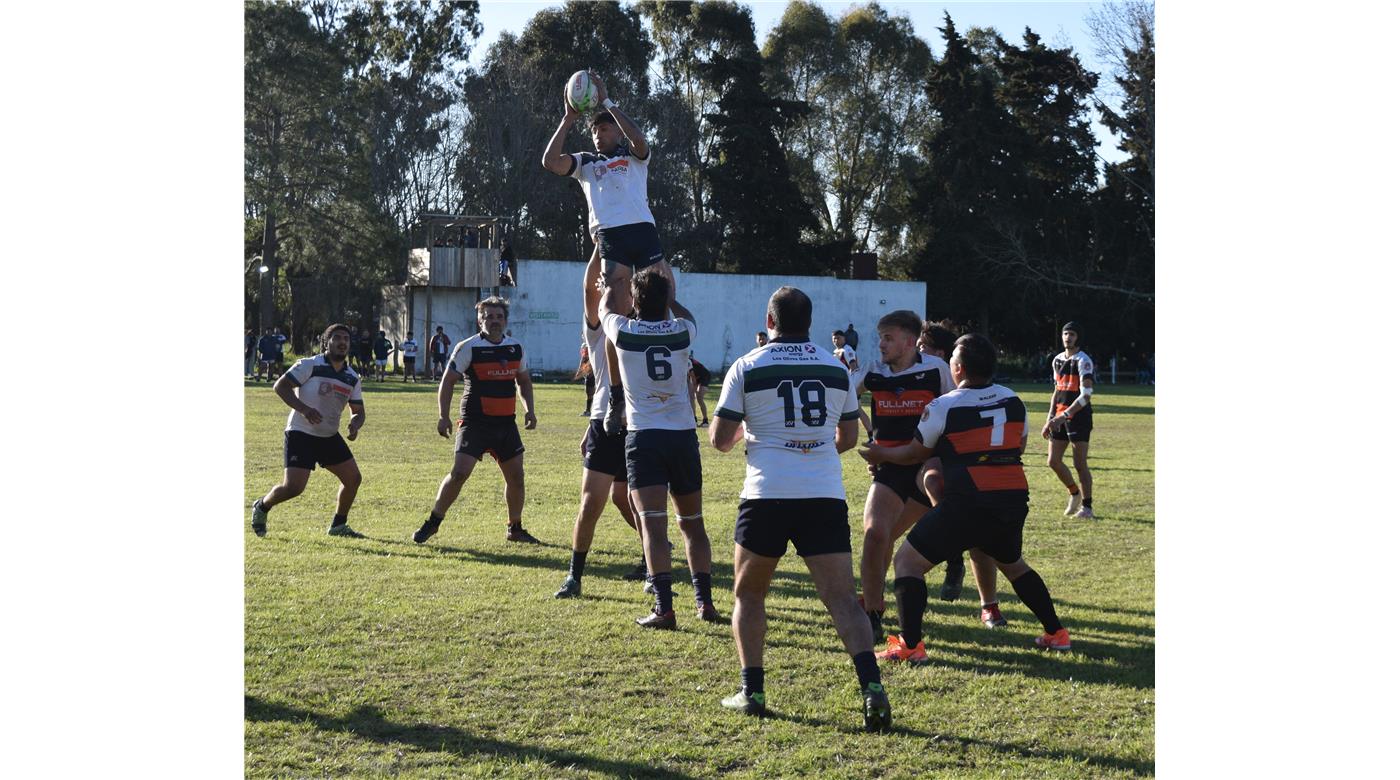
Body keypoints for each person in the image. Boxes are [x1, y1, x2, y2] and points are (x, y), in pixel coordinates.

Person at [709, 286, 892, 731]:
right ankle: (872, 689)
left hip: (766, 493)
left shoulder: (747, 366)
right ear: (809, 322)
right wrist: (810, 445)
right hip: (822, 493)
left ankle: (752, 690)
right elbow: (848, 439)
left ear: (769, 321)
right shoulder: (835, 366)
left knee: (749, 595)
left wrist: (757, 438)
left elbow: (719, 439)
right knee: (843, 600)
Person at [860, 333, 1073, 663]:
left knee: (907, 563)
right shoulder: (1013, 400)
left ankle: (910, 645)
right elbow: (1016, 446)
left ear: (957, 368)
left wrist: (880, 454)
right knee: (1012, 564)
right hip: (1013, 497)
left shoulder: (943, 405)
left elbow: (915, 452)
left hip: (969, 500)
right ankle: (1057, 633)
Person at [542, 71, 673, 438]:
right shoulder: (586, 162)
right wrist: (569, 118)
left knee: (664, 304)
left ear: (616, 130)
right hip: (611, 237)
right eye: (596, 130)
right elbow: (550, 162)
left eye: (605, 129)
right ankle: (616, 397)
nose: (599, 134)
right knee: (613, 313)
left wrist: (609, 103)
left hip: (643, 231)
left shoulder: (634, 157)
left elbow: (641, 140)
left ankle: (663, 388)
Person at [599, 268, 719, 628]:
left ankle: (665, 609)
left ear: (635, 302)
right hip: (682, 437)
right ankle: (705, 603)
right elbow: (689, 317)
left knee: (652, 526)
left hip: (646, 437)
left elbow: (605, 310)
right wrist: (671, 299)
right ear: (665, 300)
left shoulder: (624, 331)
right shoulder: (682, 331)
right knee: (693, 524)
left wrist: (609, 287)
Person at [853, 310, 955, 648]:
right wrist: (871, 436)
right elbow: (845, 400)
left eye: (888, 337)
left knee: (938, 493)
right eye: (880, 337)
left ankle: (956, 560)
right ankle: (872, 614)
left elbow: (956, 406)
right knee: (875, 534)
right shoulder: (873, 370)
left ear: (910, 342)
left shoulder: (936, 369)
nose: (880, 344)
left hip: (926, 463)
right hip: (890, 467)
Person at [554, 247, 646, 599]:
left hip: (639, 424)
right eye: (611, 282)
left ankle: (653, 563)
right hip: (605, 426)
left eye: (622, 283)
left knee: (632, 500)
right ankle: (574, 576)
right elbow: (588, 290)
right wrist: (601, 245)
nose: (613, 286)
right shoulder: (599, 330)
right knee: (592, 502)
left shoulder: (644, 326)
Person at [412, 297, 541, 545]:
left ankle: (515, 528)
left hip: (506, 424)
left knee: (516, 478)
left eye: (498, 317)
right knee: (459, 473)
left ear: (505, 320)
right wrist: (443, 416)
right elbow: (448, 381)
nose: (494, 321)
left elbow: (523, 381)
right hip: (475, 424)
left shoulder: (516, 348)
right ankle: (433, 522)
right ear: (479, 320)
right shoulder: (468, 347)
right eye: (489, 317)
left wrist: (529, 410)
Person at [918, 320, 1006, 627]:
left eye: (923, 347)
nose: (918, 352)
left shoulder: (951, 384)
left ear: (944, 356)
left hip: (960, 468)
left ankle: (988, 603)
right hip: (921, 461)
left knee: (980, 540)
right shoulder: (910, 373)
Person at [250, 323, 367, 538]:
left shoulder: (352, 377)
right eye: (337, 338)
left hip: (329, 436)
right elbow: (280, 386)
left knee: (353, 479)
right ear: (327, 342)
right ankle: (262, 506)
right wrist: (304, 409)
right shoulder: (310, 365)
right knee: (293, 487)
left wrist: (355, 424)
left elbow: (358, 410)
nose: (342, 342)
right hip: (300, 433)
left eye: (346, 339)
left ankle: (338, 525)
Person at [1045, 321, 1096, 519]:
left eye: (1072, 334)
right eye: (1065, 333)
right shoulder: (1057, 360)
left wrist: (1064, 416)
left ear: (1078, 337)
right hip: (1059, 416)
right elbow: (1057, 390)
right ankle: (1074, 493)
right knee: (1053, 461)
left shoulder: (1084, 361)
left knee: (1080, 464)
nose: (1068, 337)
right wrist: (1050, 418)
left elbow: (1086, 395)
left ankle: (1087, 507)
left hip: (1078, 418)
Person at [833, 330, 871, 436]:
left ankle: (870, 433)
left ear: (844, 338)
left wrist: (850, 383)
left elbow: (853, 367)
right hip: (843, 386)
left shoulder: (847, 350)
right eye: (834, 338)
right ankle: (870, 433)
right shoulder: (837, 351)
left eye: (838, 338)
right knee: (856, 410)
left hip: (849, 386)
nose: (836, 340)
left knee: (854, 410)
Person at [688, 355, 711, 427]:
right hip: (696, 376)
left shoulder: (687, 362)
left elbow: (693, 379)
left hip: (704, 376)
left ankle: (705, 421)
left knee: (699, 398)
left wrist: (694, 389)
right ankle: (694, 419)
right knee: (691, 398)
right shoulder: (682, 361)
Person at [574, 339, 594, 417]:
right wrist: (580, 370)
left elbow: (591, 359)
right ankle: (588, 410)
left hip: (592, 373)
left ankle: (589, 411)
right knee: (589, 393)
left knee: (591, 393)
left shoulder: (590, 345)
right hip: (588, 373)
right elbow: (583, 360)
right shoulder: (584, 345)